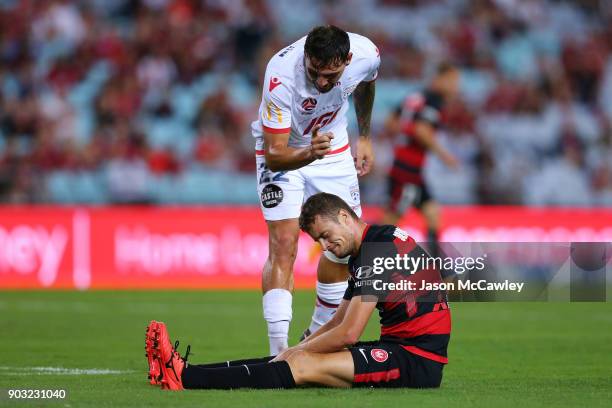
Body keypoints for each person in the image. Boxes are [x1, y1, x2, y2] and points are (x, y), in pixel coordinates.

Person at [145, 192, 451, 390]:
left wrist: (297, 351)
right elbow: (336, 323)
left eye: (326, 236)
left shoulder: (376, 249)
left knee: (300, 364)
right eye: (319, 241)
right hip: (402, 347)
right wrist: (292, 350)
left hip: (416, 360)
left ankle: (185, 377)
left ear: (345, 217)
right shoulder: (372, 246)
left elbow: (348, 334)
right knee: (291, 358)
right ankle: (185, 371)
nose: (325, 247)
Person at [252, 25, 380, 354]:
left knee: (342, 247)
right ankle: (278, 353)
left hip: (333, 150)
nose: (322, 82)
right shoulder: (281, 75)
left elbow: (367, 83)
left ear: (348, 60)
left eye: (331, 75)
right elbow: (276, 155)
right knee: (283, 243)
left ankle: (314, 341)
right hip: (286, 150)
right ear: (306, 57)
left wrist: (364, 135)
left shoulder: (366, 54)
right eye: (315, 72)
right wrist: (310, 151)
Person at [382, 62, 460, 259]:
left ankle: (438, 268)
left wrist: (404, 134)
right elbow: (421, 130)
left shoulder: (416, 97)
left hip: (409, 168)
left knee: (433, 214)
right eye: (452, 81)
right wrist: (445, 156)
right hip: (408, 169)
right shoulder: (434, 101)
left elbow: (390, 123)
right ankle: (366, 259)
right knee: (391, 220)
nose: (455, 87)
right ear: (440, 79)